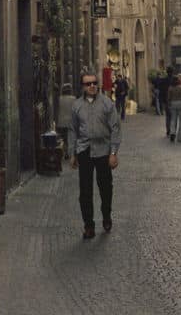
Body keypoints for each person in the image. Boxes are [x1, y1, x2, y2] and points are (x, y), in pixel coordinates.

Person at [69, 70, 121, 239]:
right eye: (88, 84)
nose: (92, 86)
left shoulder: (107, 104)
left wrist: (113, 152)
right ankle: (88, 225)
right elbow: (73, 130)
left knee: (105, 187)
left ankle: (106, 215)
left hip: (103, 151)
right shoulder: (77, 106)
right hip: (84, 150)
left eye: (94, 83)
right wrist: (72, 153)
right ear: (83, 87)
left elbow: (115, 128)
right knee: (85, 191)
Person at [57, 83, 75, 158]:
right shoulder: (73, 99)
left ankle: (66, 152)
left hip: (62, 121)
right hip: (71, 121)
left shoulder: (59, 99)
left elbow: (57, 110)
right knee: (71, 138)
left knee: (64, 138)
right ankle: (70, 152)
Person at [167, 75, 181, 143]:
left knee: (173, 120)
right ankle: (180, 137)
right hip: (180, 103)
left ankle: (172, 133)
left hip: (173, 104)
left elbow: (168, 98)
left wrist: (169, 104)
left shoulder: (170, 88)